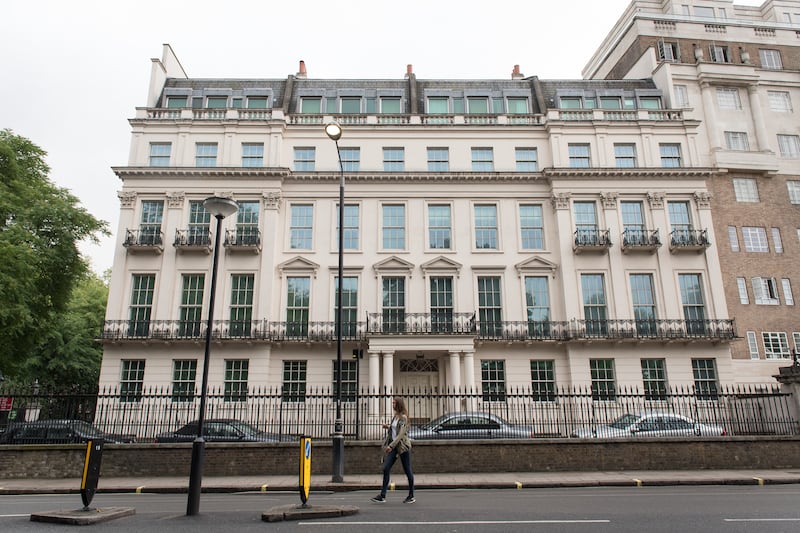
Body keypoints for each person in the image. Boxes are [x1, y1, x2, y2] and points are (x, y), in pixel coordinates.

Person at [371, 397, 415, 504]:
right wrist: (388, 427)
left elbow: (400, 435)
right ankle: (382, 495)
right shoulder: (395, 417)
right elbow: (395, 429)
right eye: (392, 403)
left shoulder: (403, 417)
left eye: (394, 403)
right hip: (394, 447)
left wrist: (391, 446)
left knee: (407, 470)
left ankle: (411, 495)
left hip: (403, 447)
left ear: (399, 404)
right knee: (386, 468)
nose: (393, 405)